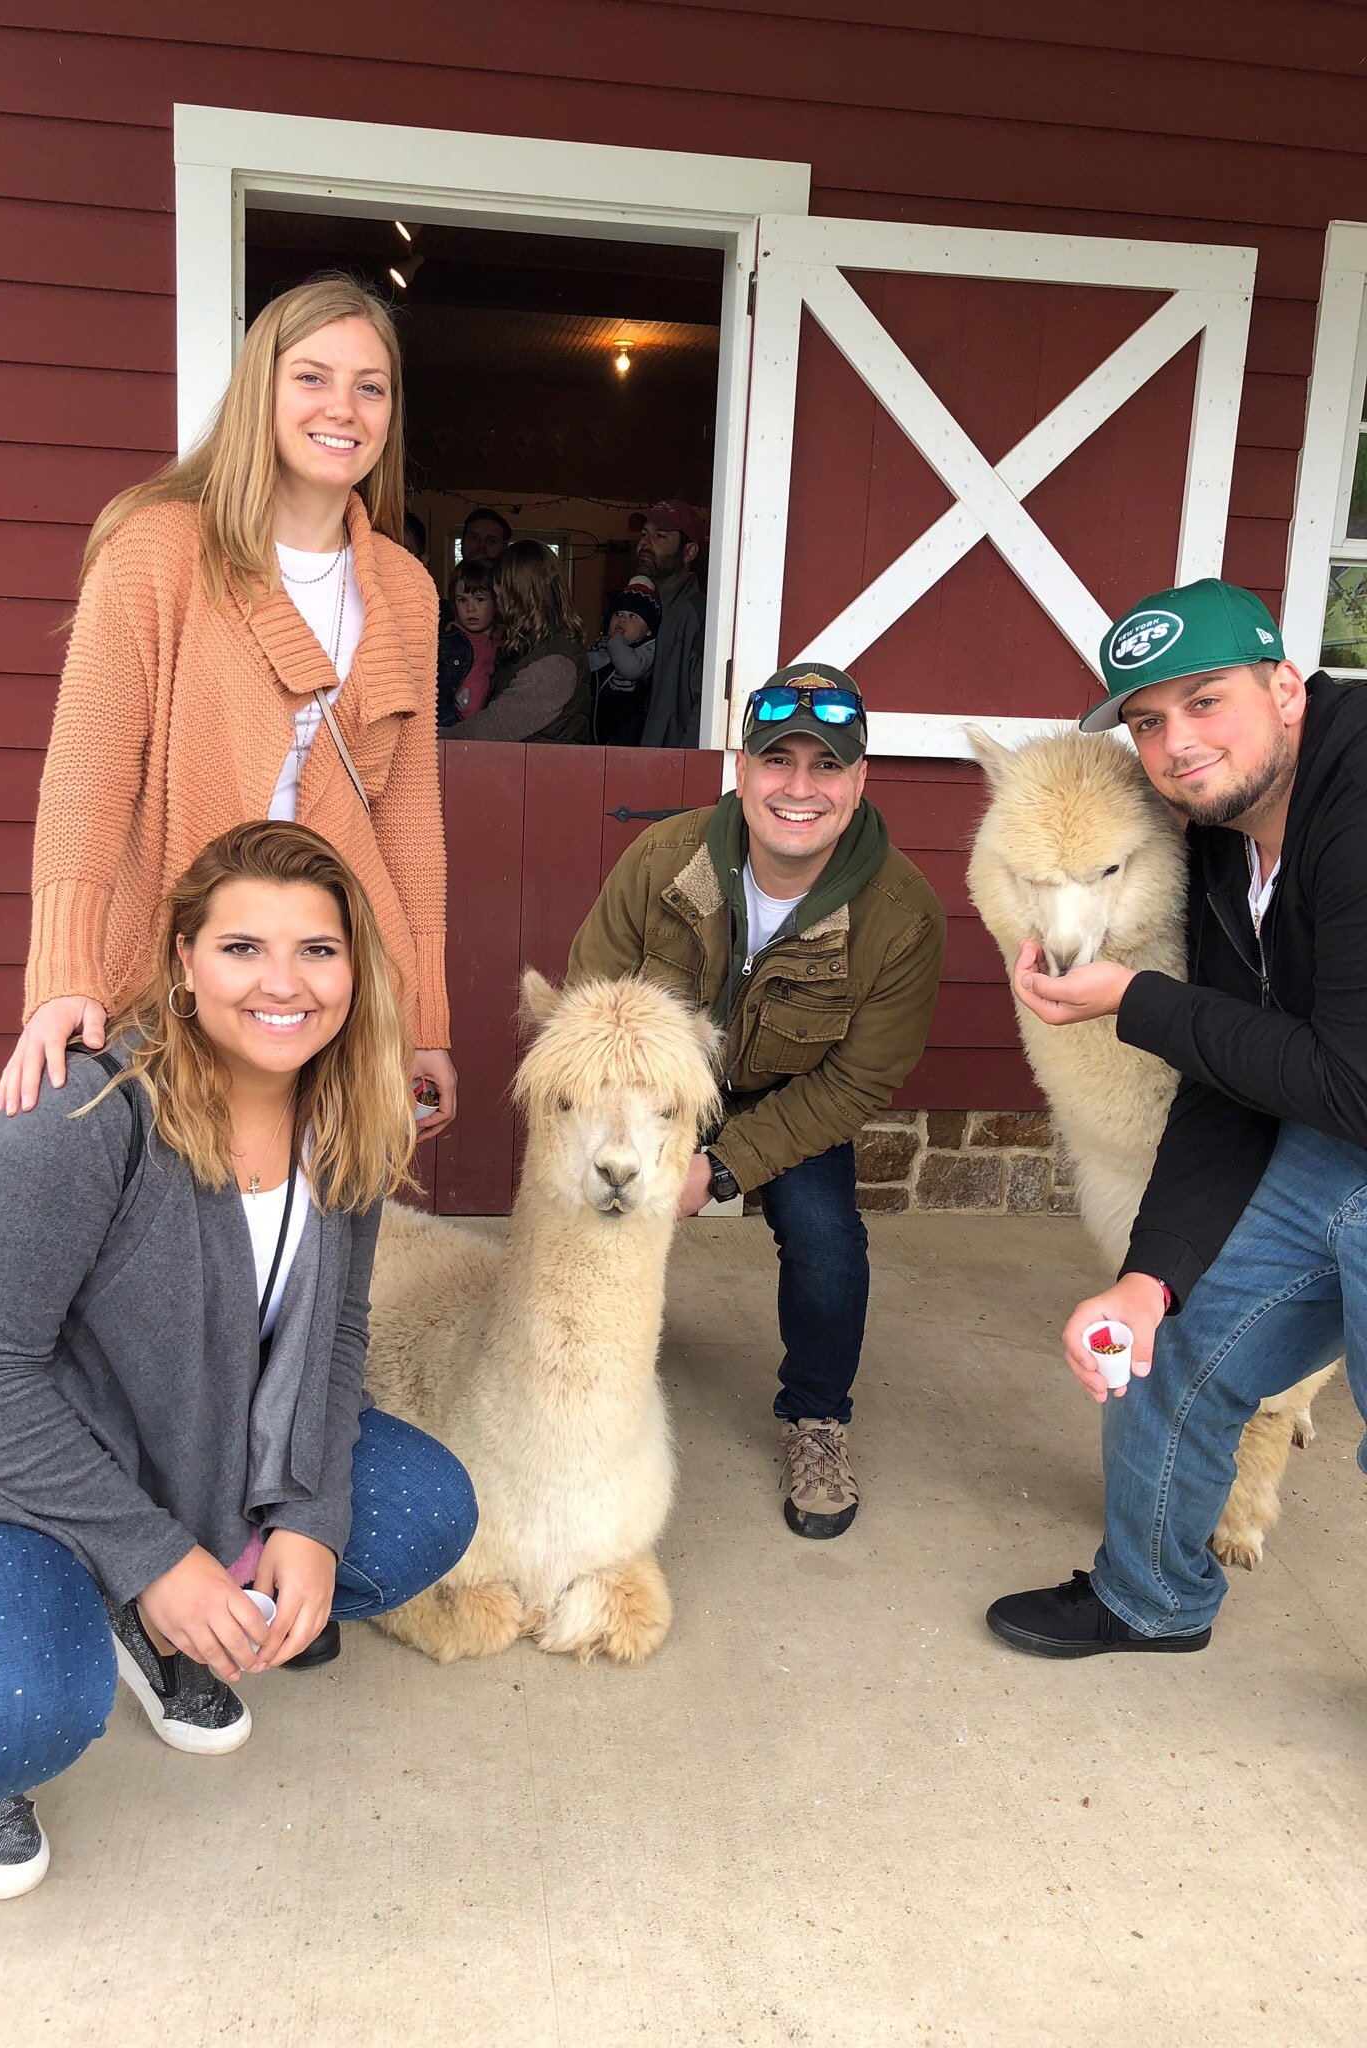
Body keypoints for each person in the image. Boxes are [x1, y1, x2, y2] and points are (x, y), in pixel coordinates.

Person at [0, 822, 477, 1899]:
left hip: (177, 1434)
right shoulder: (83, 1111)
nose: (285, 982)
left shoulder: (351, 1118)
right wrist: (156, 1554)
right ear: (183, 961)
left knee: (417, 1510)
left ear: (357, 968)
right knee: (9, 1710)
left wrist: (311, 1516)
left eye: (318, 949)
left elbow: (336, 1340)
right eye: (241, 948)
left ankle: (144, 1602)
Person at [986, 579, 1367, 1657]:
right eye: (1150, 721)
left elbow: (1353, 1077)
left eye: (1206, 701)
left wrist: (1134, 1001)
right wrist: (1150, 1277)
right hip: (1338, 1142)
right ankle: (1149, 1595)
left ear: (1286, 686)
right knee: (1177, 1340)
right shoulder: (1221, 839)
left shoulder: (1357, 797)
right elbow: (1230, 1062)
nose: (1178, 742)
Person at [0, 273, 456, 1142]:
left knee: (317, 1239)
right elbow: (87, 776)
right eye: (312, 377)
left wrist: (424, 1020)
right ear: (261, 391)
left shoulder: (407, 588)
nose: (343, 409)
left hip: (331, 987)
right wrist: (64, 971)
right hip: (179, 972)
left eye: (371, 387)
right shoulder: (157, 550)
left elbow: (410, 821)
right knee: (167, 1244)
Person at [568, 664, 945, 1535]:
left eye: (826, 766)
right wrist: (643, 1134)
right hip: (655, 1087)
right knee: (593, 1200)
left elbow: (854, 1080)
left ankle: (817, 1418)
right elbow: (592, 999)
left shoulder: (903, 915)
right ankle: (580, 1378)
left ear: (860, 781)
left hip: (793, 1095)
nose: (799, 788)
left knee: (825, 1240)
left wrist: (722, 1168)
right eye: (780, 761)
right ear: (744, 768)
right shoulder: (665, 860)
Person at [452, 540, 591, 744]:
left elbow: (493, 729)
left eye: (500, 598)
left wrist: (430, 740)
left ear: (518, 598)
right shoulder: (527, 646)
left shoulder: (554, 663)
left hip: (545, 773)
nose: (498, 606)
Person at [634, 499, 708, 749]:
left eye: (660, 536)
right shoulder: (632, 607)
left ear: (689, 552)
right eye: (644, 534)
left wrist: (687, 767)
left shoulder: (698, 614)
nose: (645, 543)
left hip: (670, 766)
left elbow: (706, 703)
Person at [590, 574, 661, 747]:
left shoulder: (648, 649)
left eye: (632, 616)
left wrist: (616, 641)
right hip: (593, 729)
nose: (622, 619)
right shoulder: (601, 644)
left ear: (648, 631)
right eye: (618, 613)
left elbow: (630, 668)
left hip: (625, 734)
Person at [436, 557, 503, 728]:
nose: (470, 609)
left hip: (493, 733)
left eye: (480, 600)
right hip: (454, 730)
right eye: (462, 600)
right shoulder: (446, 644)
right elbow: (438, 697)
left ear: (497, 601)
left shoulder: (507, 641)